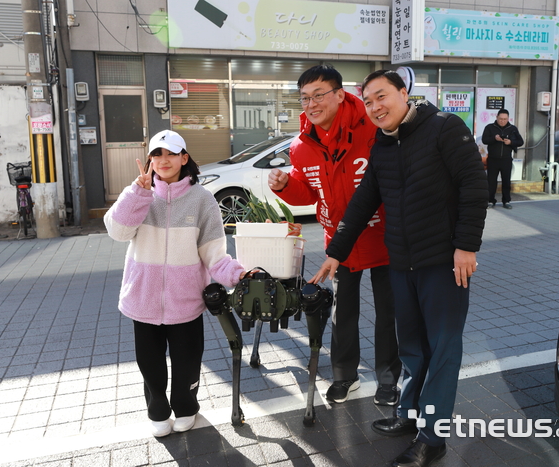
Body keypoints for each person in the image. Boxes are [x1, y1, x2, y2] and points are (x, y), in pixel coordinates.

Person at [312, 70, 487, 467]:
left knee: (442, 349)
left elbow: (475, 187)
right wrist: (336, 252)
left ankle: (434, 437)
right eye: (368, 101)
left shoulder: (444, 127)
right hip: (401, 263)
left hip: (444, 263)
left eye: (381, 97)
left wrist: (466, 247)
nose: (374, 107)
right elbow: (363, 202)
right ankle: (409, 416)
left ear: (404, 94)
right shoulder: (382, 145)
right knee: (410, 346)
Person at [268, 65, 401, 406]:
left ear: (340, 95)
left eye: (319, 95)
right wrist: (286, 187)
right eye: (305, 98)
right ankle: (345, 376)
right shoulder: (301, 145)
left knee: (389, 310)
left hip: (384, 234)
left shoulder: (373, 128)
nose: (311, 104)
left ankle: (389, 378)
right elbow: (309, 192)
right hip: (339, 243)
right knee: (343, 311)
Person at [104, 130, 246, 438]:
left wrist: (238, 274)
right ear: (150, 160)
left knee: (187, 363)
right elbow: (117, 231)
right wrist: (136, 194)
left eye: (170, 154)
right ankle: (157, 412)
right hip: (144, 300)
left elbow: (214, 254)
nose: (163, 160)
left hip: (186, 301)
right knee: (150, 366)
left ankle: (186, 407)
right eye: (157, 154)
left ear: (185, 158)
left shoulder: (202, 199)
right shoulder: (140, 194)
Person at [481, 109, 523, 209]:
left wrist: (511, 142)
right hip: (493, 159)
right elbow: (484, 140)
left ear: (508, 119)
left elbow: (520, 141)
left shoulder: (512, 129)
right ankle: (490, 200)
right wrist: (494, 139)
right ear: (497, 117)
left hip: (506, 159)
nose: (502, 121)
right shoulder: (490, 127)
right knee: (491, 181)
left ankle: (506, 200)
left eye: (505, 119)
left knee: (506, 181)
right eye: (501, 119)